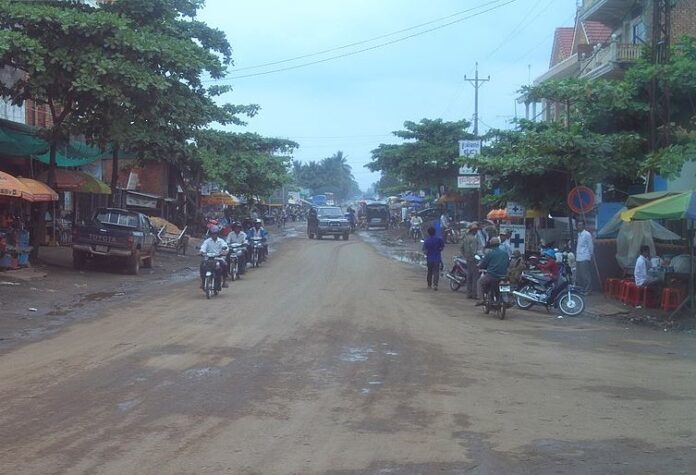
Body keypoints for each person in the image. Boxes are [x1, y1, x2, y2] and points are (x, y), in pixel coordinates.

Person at [476, 237, 510, 306]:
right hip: (504, 276)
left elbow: (483, 264)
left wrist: (479, 266)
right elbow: (507, 264)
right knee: (505, 286)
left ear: (491, 245)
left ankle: (481, 299)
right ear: (499, 244)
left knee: (480, 282)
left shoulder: (490, 254)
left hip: (492, 275)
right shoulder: (505, 253)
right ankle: (506, 300)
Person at [460, 222, 479, 299]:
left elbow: (461, 248)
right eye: (476, 230)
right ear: (473, 231)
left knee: (469, 276)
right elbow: (474, 251)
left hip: (468, 259)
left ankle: (469, 293)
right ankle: (474, 294)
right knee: (475, 277)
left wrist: (465, 256)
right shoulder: (473, 239)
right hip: (473, 260)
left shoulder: (466, 238)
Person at [422, 226, 445, 290]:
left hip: (429, 259)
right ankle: (435, 285)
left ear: (428, 233)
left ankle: (429, 285)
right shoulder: (439, 239)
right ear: (435, 232)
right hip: (437, 258)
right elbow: (442, 247)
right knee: (436, 272)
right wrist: (439, 250)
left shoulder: (427, 240)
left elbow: (424, 250)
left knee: (429, 272)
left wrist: (427, 253)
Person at [575, 220, 594, 293]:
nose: (579, 226)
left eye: (580, 225)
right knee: (579, 275)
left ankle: (588, 289)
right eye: (578, 225)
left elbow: (590, 246)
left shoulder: (587, 234)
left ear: (583, 226)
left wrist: (590, 255)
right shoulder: (579, 234)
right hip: (578, 257)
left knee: (585, 275)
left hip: (585, 257)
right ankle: (582, 289)